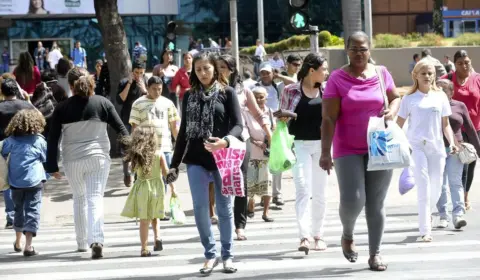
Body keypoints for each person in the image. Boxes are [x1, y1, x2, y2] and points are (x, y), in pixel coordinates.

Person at [320, 31, 400, 271]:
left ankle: (375, 254)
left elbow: (395, 97)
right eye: (353, 48)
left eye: (363, 49)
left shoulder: (381, 73)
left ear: (370, 50)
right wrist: (325, 152)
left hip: (379, 144)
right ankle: (347, 234)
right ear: (347, 49)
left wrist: (393, 110)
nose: (358, 53)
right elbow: (328, 118)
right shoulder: (337, 78)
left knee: (376, 203)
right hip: (347, 147)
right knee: (353, 199)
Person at [167, 53, 242, 274]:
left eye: (206, 68)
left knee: (224, 208)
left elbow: (238, 125)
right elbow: (182, 134)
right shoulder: (189, 96)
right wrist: (174, 164)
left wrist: (225, 141)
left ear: (215, 69)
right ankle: (210, 255)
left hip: (222, 157)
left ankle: (227, 255)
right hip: (196, 160)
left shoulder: (227, 93)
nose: (202, 73)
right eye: (198, 70)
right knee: (200, 208)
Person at [46, 67, 128, 259]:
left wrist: (51, 166)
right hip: (98, 158)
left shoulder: (62, 108)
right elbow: (122, 130)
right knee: (95, 198)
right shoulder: (103, 103)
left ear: (71, 85)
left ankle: (82, 242)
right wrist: (133, 153)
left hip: (72, 160)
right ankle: (96, 240)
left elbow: (53, 138)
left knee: (79, 198)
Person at [397, 59, 457, 243]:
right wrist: (401, 145)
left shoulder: (440, 97)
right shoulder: (408, 98)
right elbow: (398, 125)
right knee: (423, 187)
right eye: (423, 73)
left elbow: (445, 124)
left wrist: (452, 142)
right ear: (416, 75)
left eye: (430, 73)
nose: (427, 76)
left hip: (437, 147)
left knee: (437, 187)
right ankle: (425, 229)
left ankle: (428, 214)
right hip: (417, 147)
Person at [275, 53, 330, 254]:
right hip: (298, 145)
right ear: (312, 70)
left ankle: (319, 235)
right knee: (303, 189)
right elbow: (280, 118)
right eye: (323, 69)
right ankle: (304, 236)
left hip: (322, 147)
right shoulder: (290, 90)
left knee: (320, 192)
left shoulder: (327, 90)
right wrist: (284, 116)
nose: (326, 73)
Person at [216, 54, 272, 240]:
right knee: (222, 182)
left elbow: (258, 114)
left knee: (240, 181)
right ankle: (225, 220)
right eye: (218, 67)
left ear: (232, 70)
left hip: (241, 138)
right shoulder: (211, 89)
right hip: (219, 141)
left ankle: (240, 225)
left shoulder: (243, 91)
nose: (219, 70)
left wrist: (268, 133)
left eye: (223, 67)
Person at [1, 109, 48, 257]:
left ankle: (18, 241)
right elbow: (45, 158)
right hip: (35, 181)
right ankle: (29, 246)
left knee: (18, 210)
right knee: (32, 211)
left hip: (15, 183)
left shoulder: (10, 141)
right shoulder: (39, 140)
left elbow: (1, 150)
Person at [435, 79, 480, 230]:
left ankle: (458, 215)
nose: (439, 92)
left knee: (455, 182)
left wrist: (478, 148)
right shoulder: (431, 106)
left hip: (455, 149)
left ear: (451, 92)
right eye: (437, 89)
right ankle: (443, 216)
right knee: (440, 185)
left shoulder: (459, 106)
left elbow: (469, 127)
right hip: (436, 150)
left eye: (443, 90)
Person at [121, 125, 170, 257]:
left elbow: (130, 168)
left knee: (144, 220)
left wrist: (128, 175)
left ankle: (144, 248)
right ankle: (157, 237)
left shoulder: (137, 156)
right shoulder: (159, 154)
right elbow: (166, 173)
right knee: (155, 215)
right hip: (157, 188)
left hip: (142, 188)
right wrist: (173, 188)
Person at [441, 50, 480, 210]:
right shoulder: (446, 80)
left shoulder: (477, 79)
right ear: (454, 65)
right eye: (460, 63)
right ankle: (456, 198)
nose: (464, 66)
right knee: (459, 164)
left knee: (470, 162)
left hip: (474, 127)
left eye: (467, 62)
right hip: (454, 128)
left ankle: (465, 195)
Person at [0, 78, 35, 229]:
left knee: (6, 182)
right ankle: (26, 215)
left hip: (3, 148)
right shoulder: (26, 106)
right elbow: (39, 120)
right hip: (24, 147)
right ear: (17, 91)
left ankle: (11, 216)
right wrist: (27, 99)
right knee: (25, 181)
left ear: (2, 92)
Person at [244, 87, 275, 222]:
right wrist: (256, 142)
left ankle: (266, 212)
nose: (258, 99)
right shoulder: (245, 113)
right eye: (255, 96)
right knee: (251, 183)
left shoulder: (269, 112)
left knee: (267, 183)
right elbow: (243, 132)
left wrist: (268, 141)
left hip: (266, 154)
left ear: (266, 98)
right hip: (250, 152)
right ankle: (250, 204)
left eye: (261, 97)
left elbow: (273, 129)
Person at [117, 62, 148, 188]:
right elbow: (120, 100)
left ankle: (137, 177)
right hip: (127, 118)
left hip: (142, 120)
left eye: (141, 73)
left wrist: (144, 89)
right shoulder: (124, 82)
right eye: (136, 72)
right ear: (132, 71)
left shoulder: (146, 81)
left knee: (139, 148)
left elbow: (151, 99)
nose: (138, 75)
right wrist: (129, 83)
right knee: (126, 148)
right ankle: (126, 173)